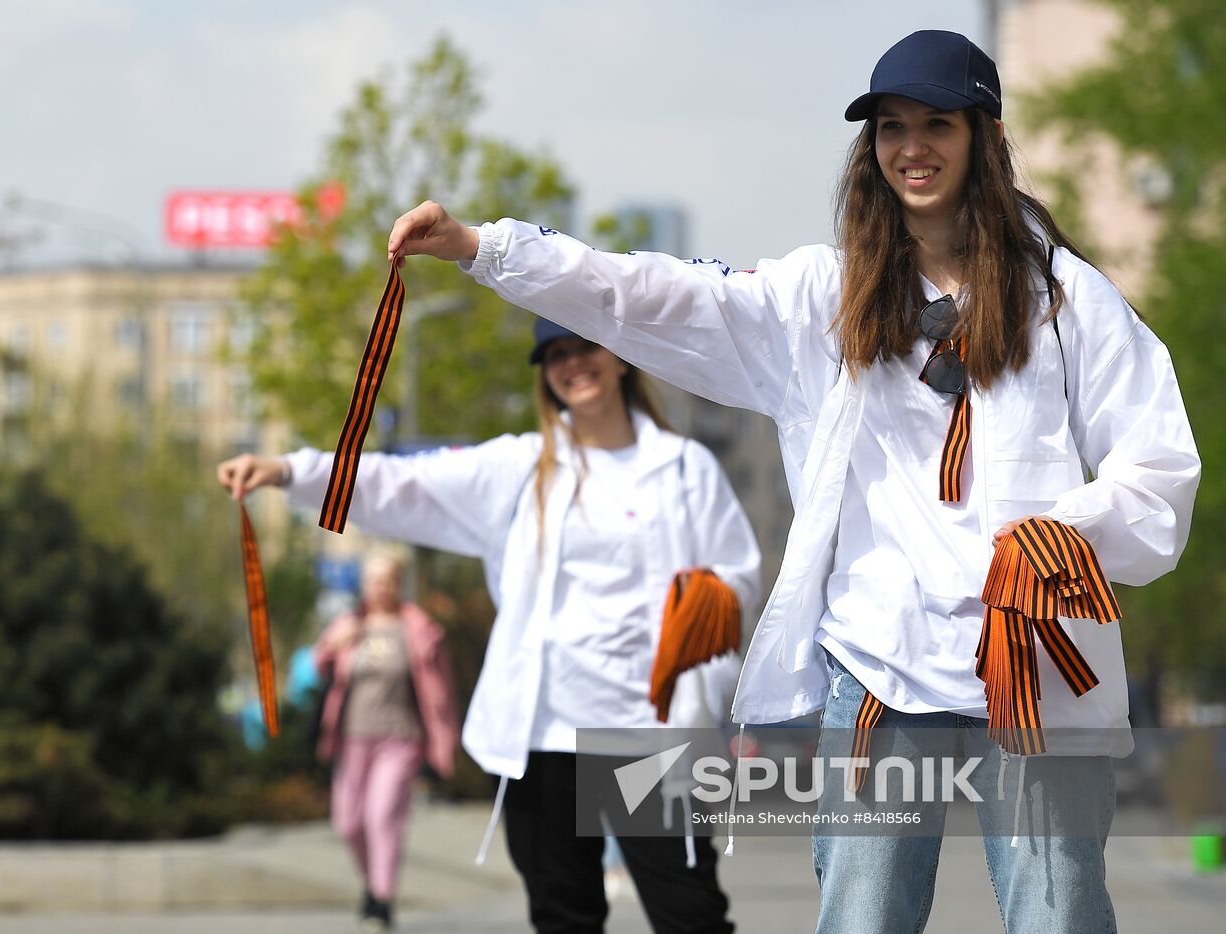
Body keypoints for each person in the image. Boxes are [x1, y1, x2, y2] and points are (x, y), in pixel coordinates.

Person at [383, 28, 1200, 934]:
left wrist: (1069, 535)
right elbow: (648, 293)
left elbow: (1159, 463)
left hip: (1033, 663)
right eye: (891, 127)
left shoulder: (1066, 301)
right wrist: (484, 249)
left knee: (1061, 916)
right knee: (862, 916)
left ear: (984, 137)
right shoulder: (823, 299)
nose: (912, 147)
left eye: (937, 123)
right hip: (884, 665)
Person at [218, 319, 762, 934]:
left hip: (645, 735)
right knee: (563, 918)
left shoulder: (684, 468)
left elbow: (737, 579)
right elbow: (403, 482)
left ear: (621, 358)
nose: (572, 364)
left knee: (690, 917)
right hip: (543, 734)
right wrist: (292, 472)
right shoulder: (520, 468)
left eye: (586, 347)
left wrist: (703, 651)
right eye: (555, 354)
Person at [313, 549, 459, 932]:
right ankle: (373, 885)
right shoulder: (348, 624)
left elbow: (441, 692)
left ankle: (383, 899)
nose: (379, 587)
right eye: (372, 580)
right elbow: (316, 664)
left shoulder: (418, 628)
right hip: (351, 739)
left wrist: (444, 743)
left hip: (400, 737)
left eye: (386, 580)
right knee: (348, 822)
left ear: (398, 584)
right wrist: (334, 645)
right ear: (363, 584)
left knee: (382, 816)